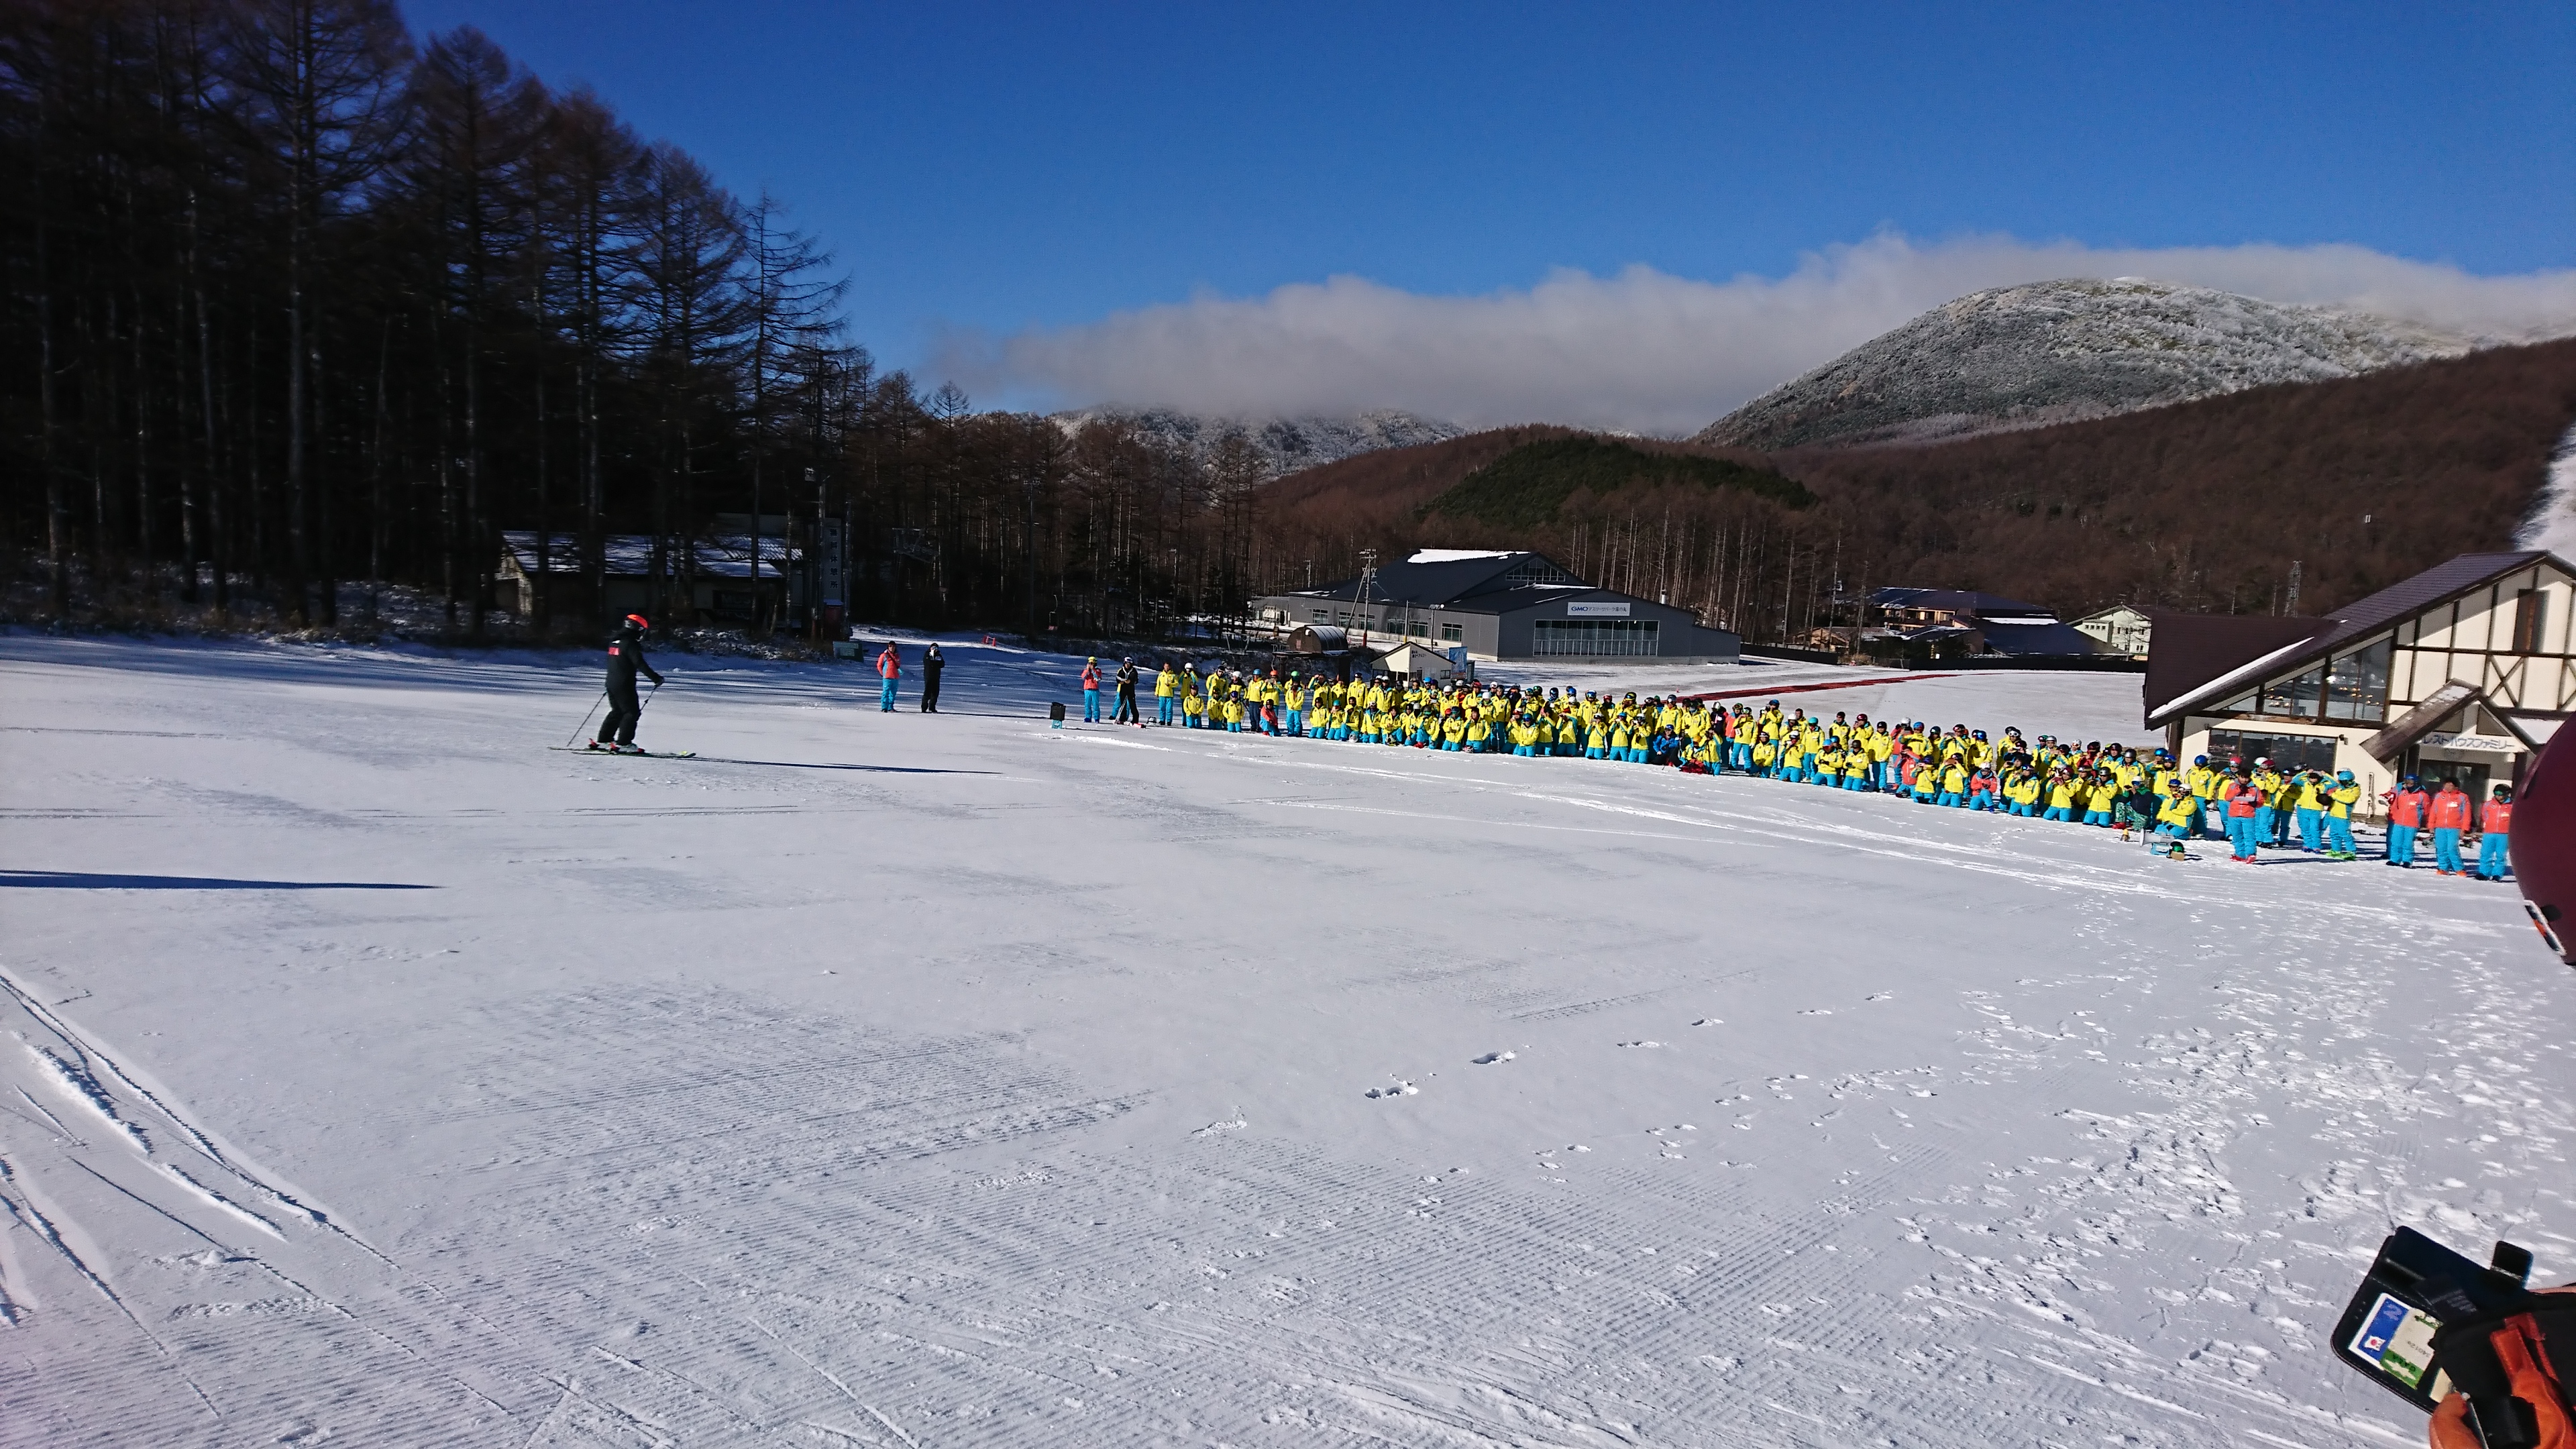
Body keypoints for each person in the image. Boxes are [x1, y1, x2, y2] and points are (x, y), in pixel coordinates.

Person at [594, 613, 664, 753]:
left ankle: (604, 740)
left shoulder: (615, 641)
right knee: (631, 712)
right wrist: (655, 678)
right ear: (638, 629)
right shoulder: (630, 643)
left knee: (617, 711)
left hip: (611, 682)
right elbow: (639, 663)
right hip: (624, 683)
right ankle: (624, 743)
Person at [2426, 778, 2472, 875]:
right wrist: (2431, 825)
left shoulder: (2463, 797)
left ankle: (2459, 868)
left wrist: (2464, 829)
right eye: (2446, 785)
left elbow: (2467, 814)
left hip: (2455, 828)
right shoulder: (2439, 796)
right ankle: (2443, 868)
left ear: (2456, 787)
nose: (2448, 787)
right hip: (2440, 827)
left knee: (2452, 848)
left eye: (2451, 785)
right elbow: (2434, 811)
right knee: (2441, 848)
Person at [2385, 775, 2428, 867]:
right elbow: (2395, 804)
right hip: (2399, 822)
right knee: (2396, 841)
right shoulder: (2402, 793)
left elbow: (2427, 809)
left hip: (2412, 824)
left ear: (2416, 783)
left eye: (2411, 782)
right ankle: (2395, 859)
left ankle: (2407, 860)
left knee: (2408, 843)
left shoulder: (2422, 795)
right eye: (2407, 782)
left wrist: (2421, 819)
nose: (2409, 784)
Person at [2477, 784, 2514, 881]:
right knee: (2486, 853)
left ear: (2507, 794)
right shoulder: (2488, 805)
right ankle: (2484, 873)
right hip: (2489, 833)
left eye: (2501, 794)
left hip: (2504, 834)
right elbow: (2485, 816)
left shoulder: (2512, 806)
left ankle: (2497, 874)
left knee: (2501, 855)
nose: (2498, 796)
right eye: (2496, 793)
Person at [1112, 657, 1141, 725]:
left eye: (1128, 664)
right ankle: (1122, 718)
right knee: (1123, 705)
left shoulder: (1133, 671)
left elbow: (1135, 679)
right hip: (1123, 690)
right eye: (1126, 664)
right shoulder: (1122, 670)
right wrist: (1120, 681)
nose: (1127, 665)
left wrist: (1130, 681)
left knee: (1132, 705)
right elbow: (1118, 678)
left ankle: (1135, 719)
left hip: (1130, 690)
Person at [918, 643, 945, 712]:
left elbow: (942, 664)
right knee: (927, 692)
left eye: (936, 648)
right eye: (933, 648)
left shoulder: (939, 655)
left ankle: (932, 707)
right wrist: (936, 664)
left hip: (936, 676)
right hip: (929, 676)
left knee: (935, 693)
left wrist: (936, 664)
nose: (935, 649)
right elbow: (929, 663)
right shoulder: (928, 654)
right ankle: (924, 707)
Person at [875, 641, 901, 711]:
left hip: (895, 677)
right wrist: (882, 673)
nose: (892, 648)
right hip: (887, 677)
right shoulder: (884, 655)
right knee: (886, 692)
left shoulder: (897, 656)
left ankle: (890, 707)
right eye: (890, 646)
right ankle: (884, 707)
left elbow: (898, 665)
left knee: (893, 693)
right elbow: (879, 665)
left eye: (893, 646)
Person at [1155, 661, 1179, 725]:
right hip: (1162, 694)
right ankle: (1162, 720)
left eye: (1168, 667)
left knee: (1169, 709)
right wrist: (1157, 692)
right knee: (1162, 708)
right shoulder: (1161, 675)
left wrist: (1170, 685)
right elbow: (1158, 684)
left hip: (1170, 695)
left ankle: (1169, 721)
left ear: (1170, 667)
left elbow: (1177, 683)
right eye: (1166, 666)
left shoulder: (1173, 675)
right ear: (1164, 667)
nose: (1167, 668)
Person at [1081, 657, 1102, 722]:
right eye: (1090, 663)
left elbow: (1098, 676)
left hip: (1095, 689)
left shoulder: (1098, 670)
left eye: (1092, 663)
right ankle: (1088, 717)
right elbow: (1083, 677)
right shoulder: (1086, 670)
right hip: (1087, 689)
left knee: (1096, 705)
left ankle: (1097, 718)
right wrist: (1088, 670)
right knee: (1087, 704)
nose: (1091, 664)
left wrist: (1093, 670)